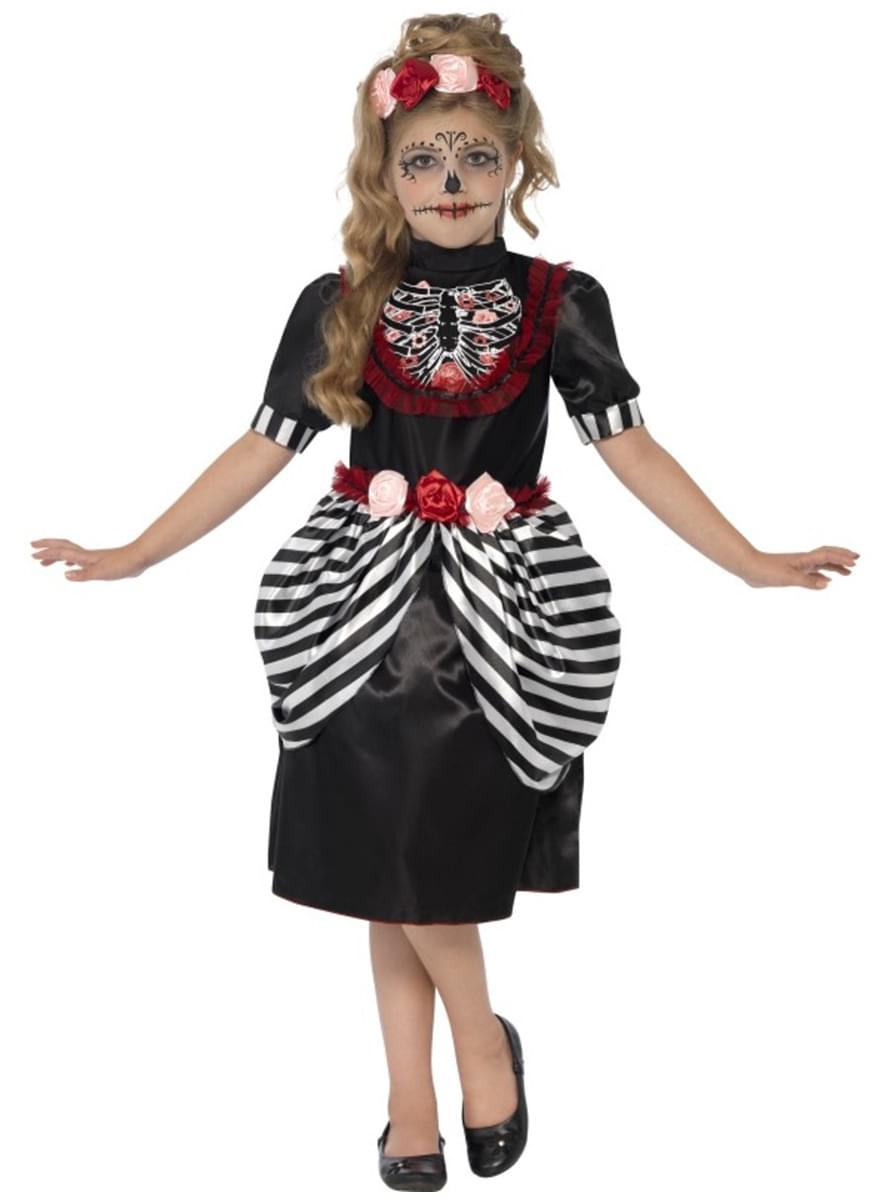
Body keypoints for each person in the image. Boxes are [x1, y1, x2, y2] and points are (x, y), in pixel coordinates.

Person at [30, 11, 860, 1192]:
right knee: (383, 860)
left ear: (515, 160)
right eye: (422, 159)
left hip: (494, 618)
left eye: (475, 154)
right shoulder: (341, 299)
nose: (451, 180)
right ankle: (420, 1088)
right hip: (354, 611)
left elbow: (630, 449)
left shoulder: (560, 300)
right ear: (385, 173)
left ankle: (467, 1052)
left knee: (425, 857)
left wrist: (749, 560)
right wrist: (134, 553)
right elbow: (261, 447)